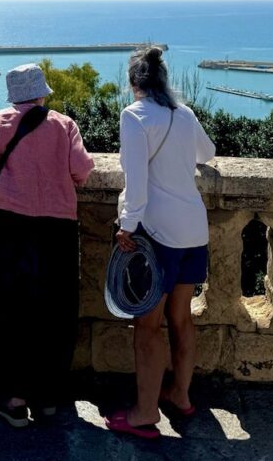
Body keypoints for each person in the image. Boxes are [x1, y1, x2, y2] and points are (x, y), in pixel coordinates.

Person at [0, 63, 95, 428]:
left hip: (8, 226)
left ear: (13, 95)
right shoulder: (64, 124)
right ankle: (47, 396)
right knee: (54, 311)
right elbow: (83, 170)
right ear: (42, 93)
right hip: (57, 228)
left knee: (5, 311)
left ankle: (13, 398)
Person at [106, 47, 216, 440]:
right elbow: (208, 153)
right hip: (194, 230)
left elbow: (135, 183)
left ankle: (144, 412)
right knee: (181, 318)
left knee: (147, 326)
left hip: (159, 234)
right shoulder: (183, 113)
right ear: (163, 80)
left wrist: (126, 226)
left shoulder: (134, 116)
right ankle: (181, 395)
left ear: (133, 82)